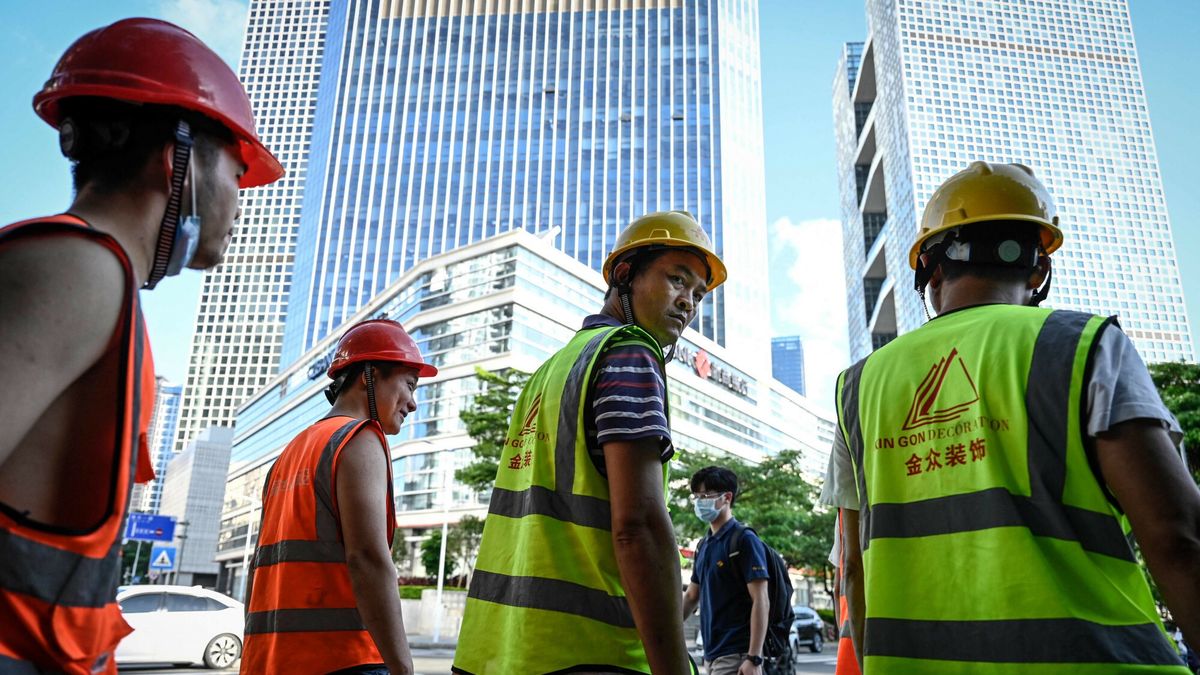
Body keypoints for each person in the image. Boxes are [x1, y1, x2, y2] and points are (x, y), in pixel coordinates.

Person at [822, 160, 1200, 673]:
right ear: (1038, 269)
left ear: (930, 271)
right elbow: (1178, 537)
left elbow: (853, 568)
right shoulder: (1082, 347)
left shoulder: (858, 385)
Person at [0, 18, 282, 674]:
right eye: (237, 173)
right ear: (176, 161)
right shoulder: (75, 267)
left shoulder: (100, 279)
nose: (242, 201)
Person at [453, 210, 725, 674]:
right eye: (677, 280)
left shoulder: (548, 372)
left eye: (698, 293)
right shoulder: (628, 351)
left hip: (499, 651)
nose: (688, 302)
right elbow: (636, 526)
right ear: (625, 274)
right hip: (593, 652)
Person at [240, 319, 436, 675]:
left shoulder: (291, 453)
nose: (412, 403)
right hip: (341, 660)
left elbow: (258, 568)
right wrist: (403, 669)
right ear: (370, 375)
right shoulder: (359, 438)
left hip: (269, 661)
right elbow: (368, 558)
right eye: (409, 385)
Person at [681, 466, 770, 675]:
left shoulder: (744, 540)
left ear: (727, 497)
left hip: (736, 655)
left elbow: (761, 599)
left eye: (705, 496)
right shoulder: (704, 545)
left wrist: (754, 658)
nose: (700, 502)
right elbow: (692, 595)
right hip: (711, 655)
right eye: (696, 497)